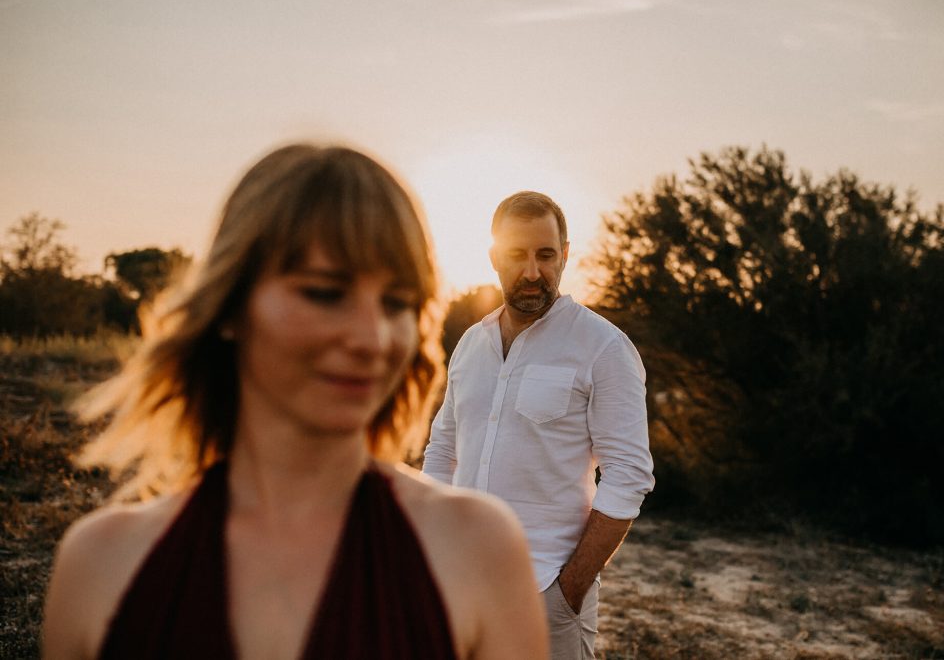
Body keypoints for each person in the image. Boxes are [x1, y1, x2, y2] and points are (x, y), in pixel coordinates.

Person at [42, 144, 547, 660]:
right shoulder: (102, 567)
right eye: (324, 293)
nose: (372, 339)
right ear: (231, 307)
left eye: (397, 303)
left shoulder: (478, 549)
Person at [422, 191, 655, 659]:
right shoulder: (471, 344)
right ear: (493, 258)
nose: (532, 272)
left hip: (546, 591)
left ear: (565, 256)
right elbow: (442, 452)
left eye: (546, 255)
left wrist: (568, 590)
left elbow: (628, 474)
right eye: (516, 255)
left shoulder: (603, 347)